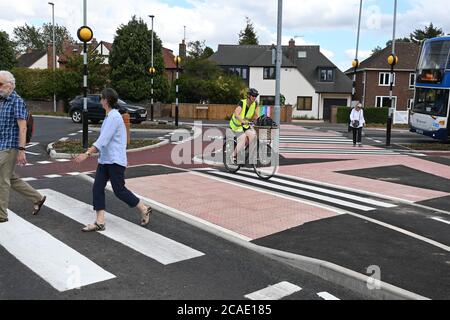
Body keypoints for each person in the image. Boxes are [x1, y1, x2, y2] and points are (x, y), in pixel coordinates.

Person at [74, 88, 151, 232]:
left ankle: (143, 208)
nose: (100, 100)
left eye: (101, 98)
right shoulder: (109, 116)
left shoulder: (114, 117)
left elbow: (103, 140)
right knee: (97, 188)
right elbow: (103, 140)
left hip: (115, 161)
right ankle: (100, 222)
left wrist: (87, 153)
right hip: (105, 160)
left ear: (106, 100)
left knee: (119, 190)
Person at [0, 70, 46, 223]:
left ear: (10, 85)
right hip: (1, 145)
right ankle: (38, 198)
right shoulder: (2, 100)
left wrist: (21, 150)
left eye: (0, 84)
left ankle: (2, 215)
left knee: (2, 180)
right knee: (10, 178)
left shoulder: (17, 101)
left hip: (10, 146)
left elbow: (23, 127)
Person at [229, 88, 260, 162]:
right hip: (236, 125)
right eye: (253, 95)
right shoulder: (242, 103)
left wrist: (259, 121)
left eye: (256, 96)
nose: (255, 97)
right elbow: (236, 114)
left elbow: (255, 115)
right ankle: (233, 155)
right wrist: (242, 121)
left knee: (253, 135)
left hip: (245, 125)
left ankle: (242, 150)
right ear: (249, 96)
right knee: (243, 138)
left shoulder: (255, 104)